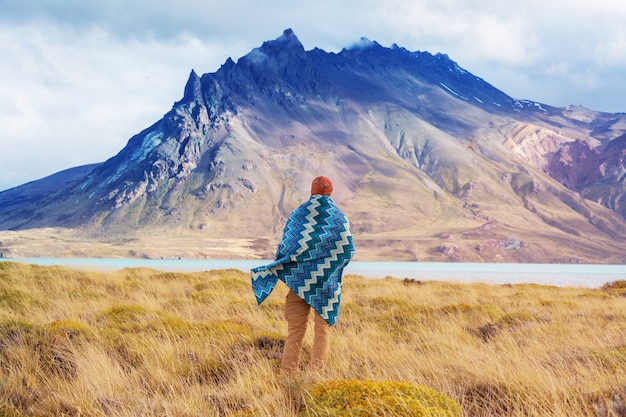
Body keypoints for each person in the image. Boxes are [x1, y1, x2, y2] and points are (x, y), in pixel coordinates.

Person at [251, 176, 355, 373]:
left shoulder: (299, 214)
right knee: (322, 332)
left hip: (299, 284)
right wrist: (331, 271)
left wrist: (292, 267)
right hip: (326, 287)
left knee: (295, 332)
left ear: (312, 190)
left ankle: (287, 375)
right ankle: (316, 376)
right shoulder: (338, 217)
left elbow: (286, 246)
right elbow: (347, 250)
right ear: (330, 192)